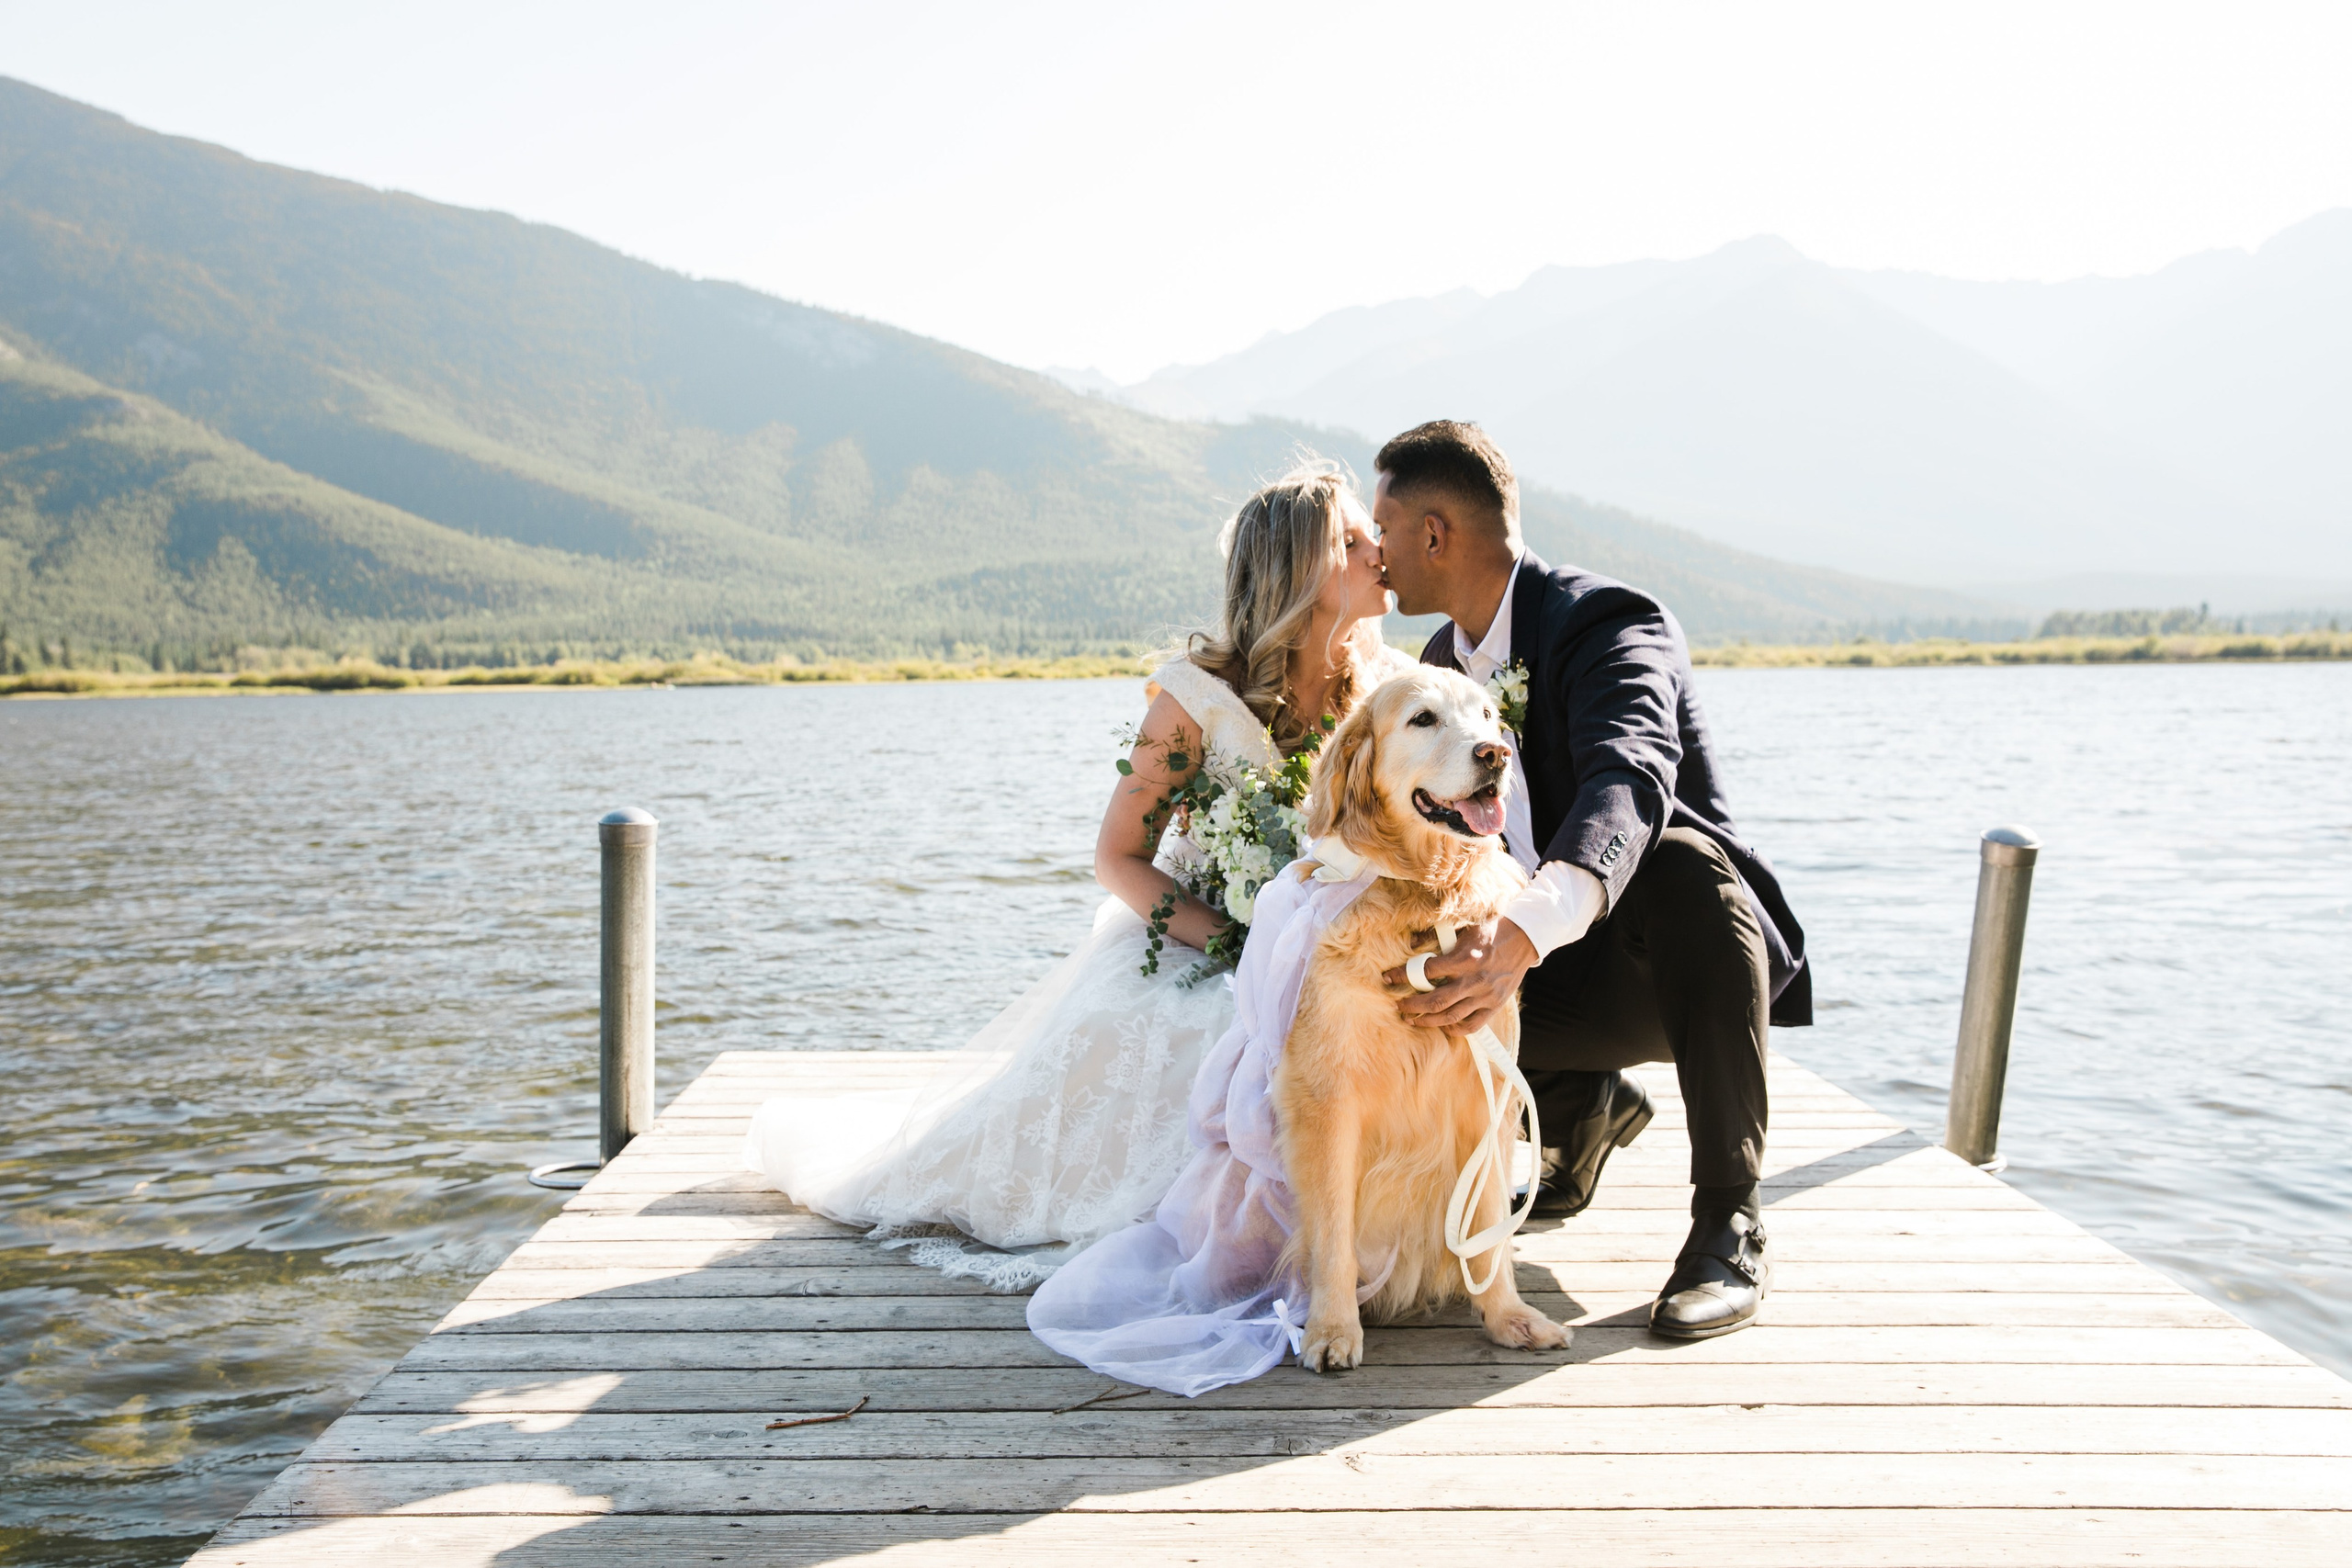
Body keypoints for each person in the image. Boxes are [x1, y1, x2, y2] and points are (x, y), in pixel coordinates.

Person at [743, 461, 1409, 1290]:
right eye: (1352, 539)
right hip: (1208, 947)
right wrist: (1240, 944)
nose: (1379, 548)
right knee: (1217, 1041)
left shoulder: (1385, 694)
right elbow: (1118, 857)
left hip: (1330, 956)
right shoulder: (1194, 701)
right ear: (1301, 574)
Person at [1372, 420, 1812, 1338]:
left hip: (1663, 966)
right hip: (1526, 974)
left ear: (1434, 534)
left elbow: (1629, 779)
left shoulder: (1609, 621)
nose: (1376, 557)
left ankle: (1729, 1221)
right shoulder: (1438, 669)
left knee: (1684, 866)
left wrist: (1524, 933)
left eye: (1384, 531)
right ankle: (1577, 1103)